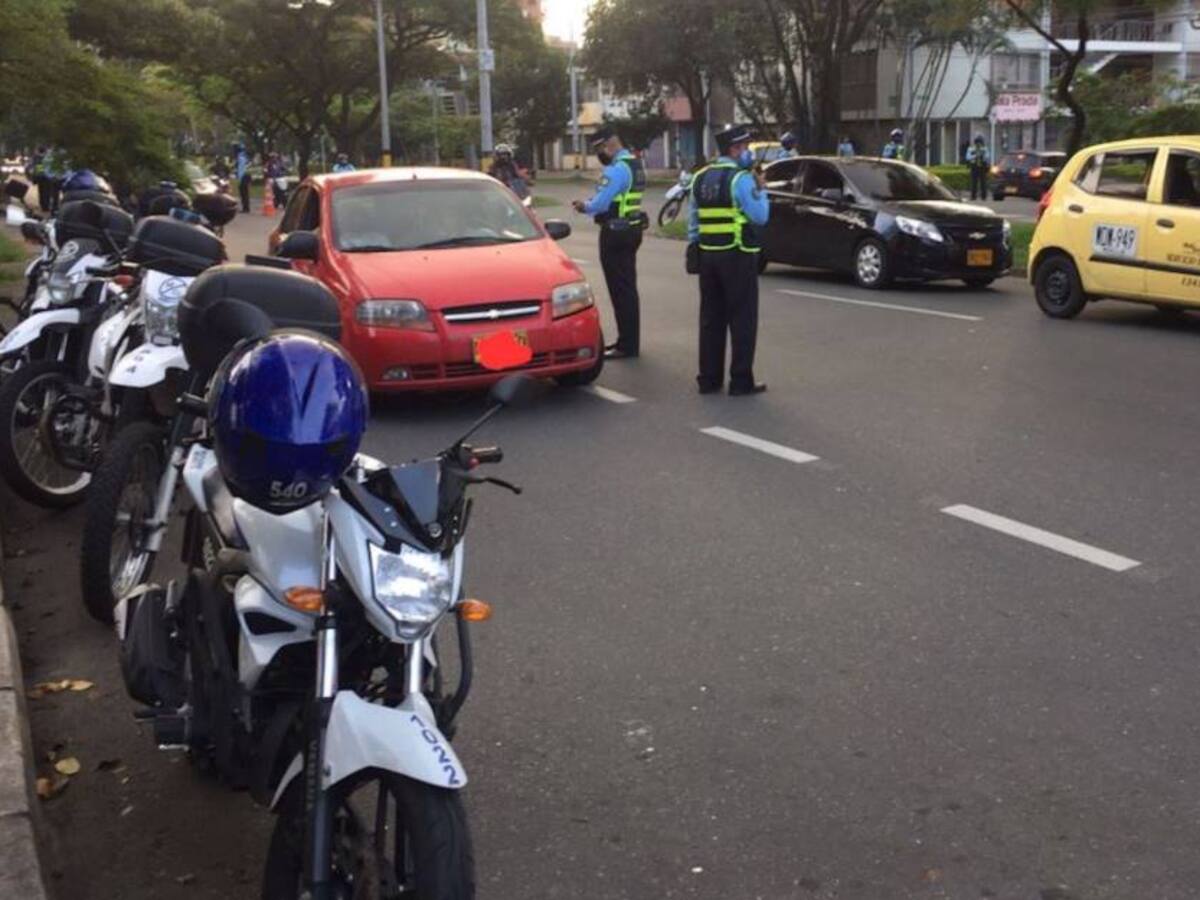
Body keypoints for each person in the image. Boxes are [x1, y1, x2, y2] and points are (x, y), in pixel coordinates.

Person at [687, 124, 770, 396]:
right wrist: (762, 190)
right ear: (734, 149)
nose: (747, 152)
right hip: (737, 255)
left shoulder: (700, 177)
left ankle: (709, 379)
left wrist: (696, 246)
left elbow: (693, 222)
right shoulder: (741, 179)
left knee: (711, 319)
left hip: (708, 256)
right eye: (745, 147)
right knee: (742, 318)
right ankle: (740, 381)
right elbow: (759, 216)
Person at [571, 128, 646, 359]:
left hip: (615, 232)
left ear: (609, 145)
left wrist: (584, 206)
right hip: (632, 229)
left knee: (620, 290)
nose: (598, 154)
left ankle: (626, 345)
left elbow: (602, 202)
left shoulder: (615, 170)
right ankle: (630, 341)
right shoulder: (636, 165)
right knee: (628, 288)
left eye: (598, 149)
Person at [966, 134, 990, 200]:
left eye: (980, 142)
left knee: (983, 182)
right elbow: (967, 157)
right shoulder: (971, 148)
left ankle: (984, 196)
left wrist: (982, 156)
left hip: (982, 167)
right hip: (974, 167)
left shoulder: (984, 148)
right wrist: (975, 155)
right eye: (977, 142)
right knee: (974, 182)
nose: (979, 143)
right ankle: (973, 196)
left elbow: (987, 157)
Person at [234, 143, 252, 213]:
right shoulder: (245, 156)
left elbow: (241, 169)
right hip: (247, 176)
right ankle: (246, 207)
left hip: (244, 176)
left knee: (243, 193)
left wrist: (240, 179)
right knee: (245, 193)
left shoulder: (240, 157)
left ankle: (245, 208)